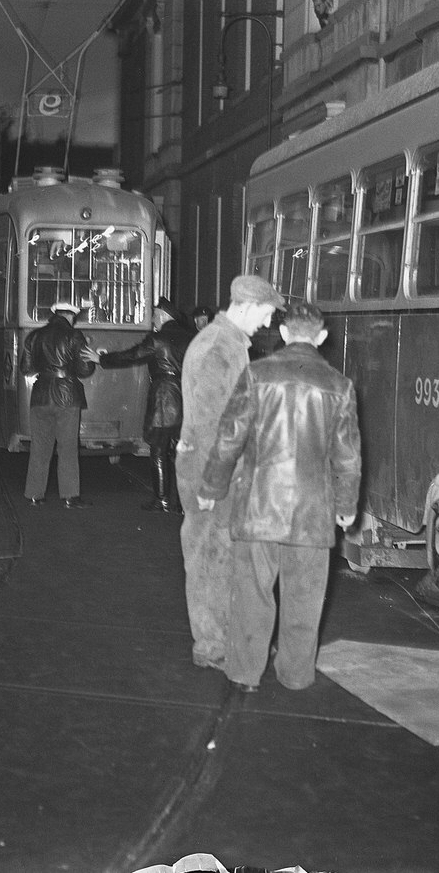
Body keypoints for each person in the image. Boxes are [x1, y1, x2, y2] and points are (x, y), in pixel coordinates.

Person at [196, 302, 361, 693]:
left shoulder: (256, 373)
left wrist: (210, 489)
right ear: (321, 338)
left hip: (258, 508)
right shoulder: (340, 386)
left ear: (284, 333)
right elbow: (348, 457)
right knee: (305, 600)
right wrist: (346, 506)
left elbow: (228, 438)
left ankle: (245, 674)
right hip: (313, 513)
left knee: (252, 596)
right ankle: (296, 675)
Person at [177, 274, 285, 672]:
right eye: (267, 313)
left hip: (218, 467)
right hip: (211, 469)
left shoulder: (228, 344)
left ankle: (228, 639)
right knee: (210, 558)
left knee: (223, 555)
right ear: (246, 306)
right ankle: (213, 647)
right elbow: (211, 424)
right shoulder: (218, 348)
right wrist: (213, 483)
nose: (267, 323)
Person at [98, 297, 194, 514]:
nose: (152, 319)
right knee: (182, 453)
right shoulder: (192, 338)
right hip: (187, 397)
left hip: (163, 397)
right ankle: (182, 504)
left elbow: (131, 356)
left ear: (162, 316)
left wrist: (102, 360)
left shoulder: (157, 339)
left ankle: (162, 500)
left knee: (158, 450)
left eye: (154, 315)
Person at [20, 300, 99, 508]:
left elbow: (25, 368)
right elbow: (85, 370)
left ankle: (35, 494)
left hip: (40, 396)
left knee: (39, 447)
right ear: (71, 316)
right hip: (67, 397)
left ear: (54, 314)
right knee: (67, 447)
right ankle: (70, 497)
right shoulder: (74, 336)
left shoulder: (34, 336)